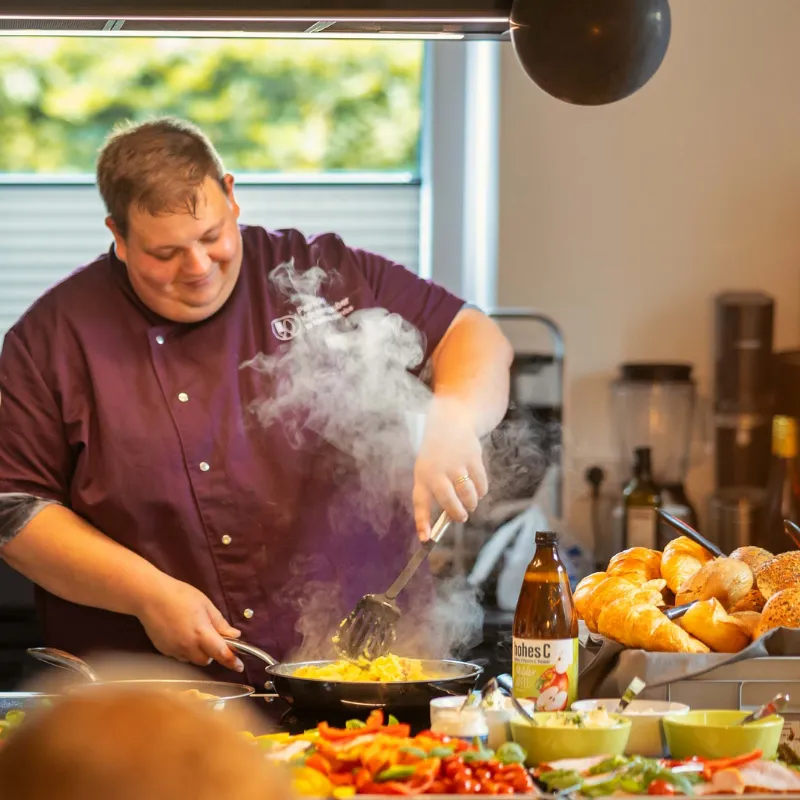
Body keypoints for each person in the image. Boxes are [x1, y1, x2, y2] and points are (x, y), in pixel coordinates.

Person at [0, 118, 512, 683]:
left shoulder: (324, 277)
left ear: (232, 195)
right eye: (165, 252)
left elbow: (472, 335)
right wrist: (145, 594)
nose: (196, 268)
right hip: (152, 696)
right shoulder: (54, 336)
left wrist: (453, 417)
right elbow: (14, 508)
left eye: (211, 236)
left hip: (364, 675)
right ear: (117, 237)